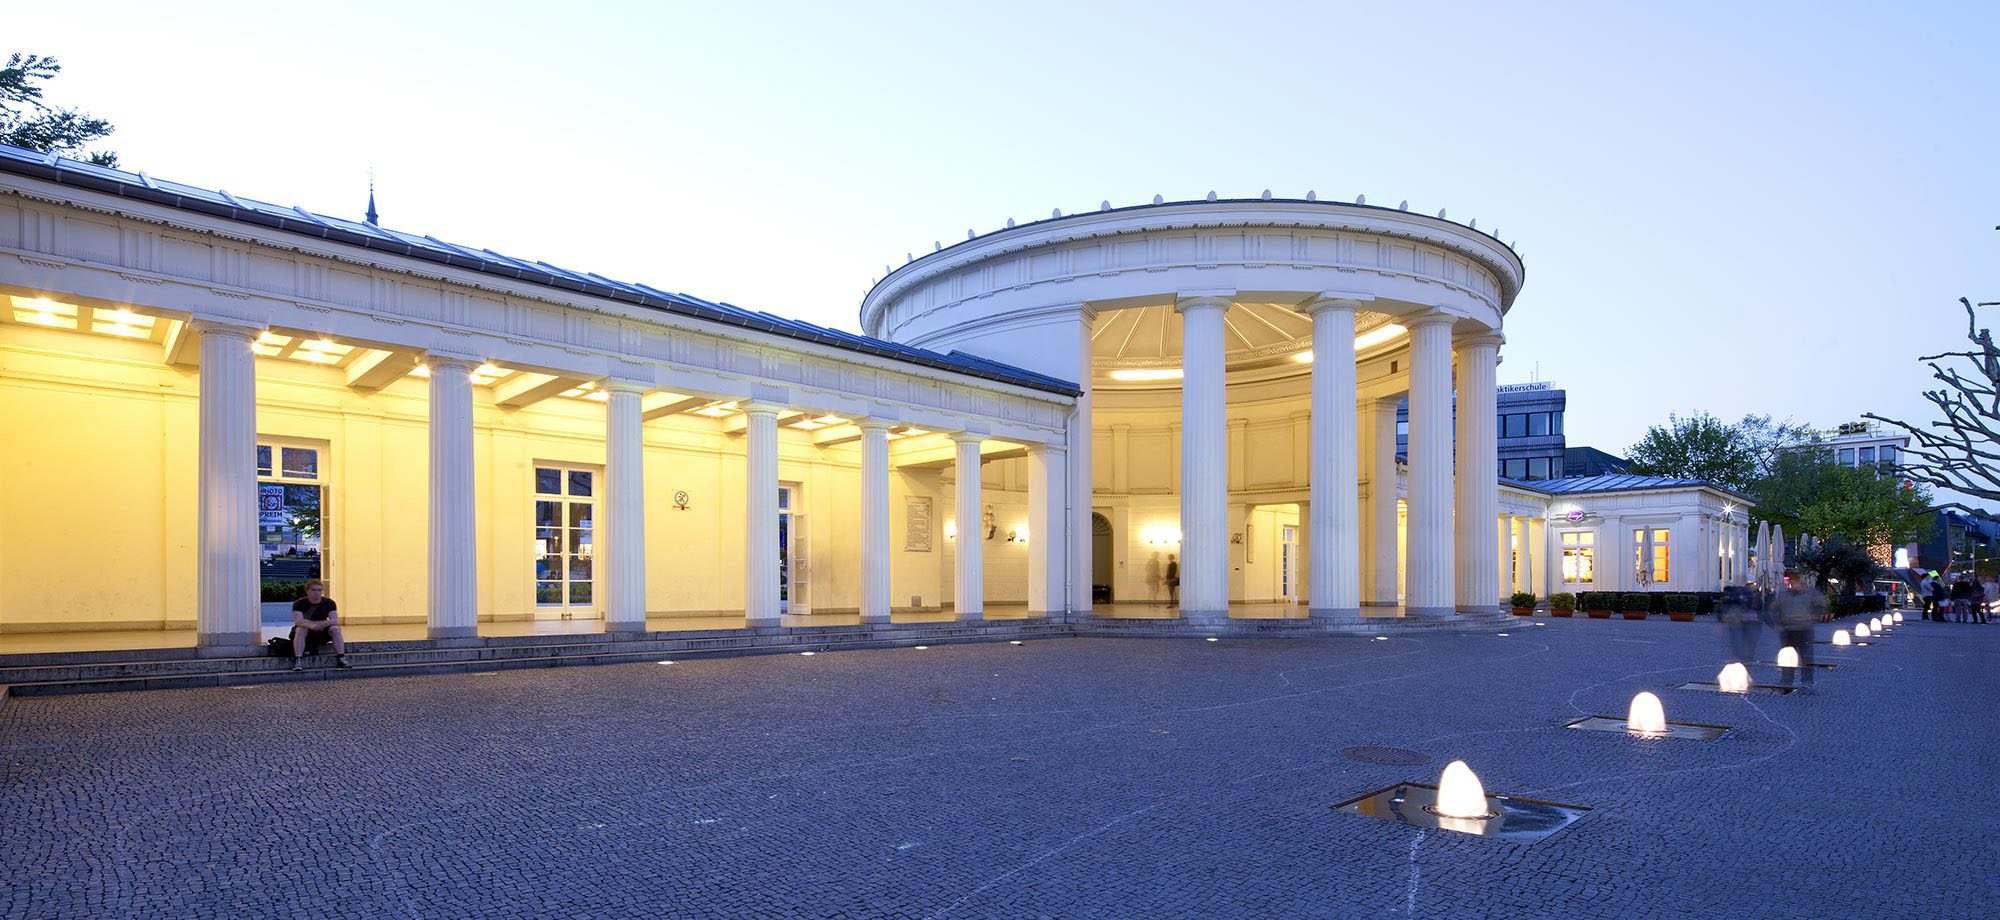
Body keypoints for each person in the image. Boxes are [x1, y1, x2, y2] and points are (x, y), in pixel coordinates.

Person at [290, 580, 352, 671]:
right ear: (308, 591)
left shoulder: (329, 602)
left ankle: (341, 657)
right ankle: (298, 659)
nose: (317, 593)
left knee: (335, 629)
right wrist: (311, 625)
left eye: (319, 590)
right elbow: (299, 621)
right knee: (300, 629)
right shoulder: (299, 603)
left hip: (322, 630)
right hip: (307, 631)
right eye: (314, 590)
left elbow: (334, 620)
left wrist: (319, 624)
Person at [1774, 569, 1821, 689]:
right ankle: (1786, 679)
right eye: (1789, 580)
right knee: (1788, 655)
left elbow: (1821, 606)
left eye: (1792, 579)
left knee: (1806, 656)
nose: (1790, 582)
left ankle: (1807, 681)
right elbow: (1775, 608)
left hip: (1804, 629)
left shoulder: (1810, 593)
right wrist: (1779, 623)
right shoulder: (1784, 593)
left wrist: (1812, 616)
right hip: (1788, 630)